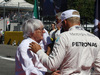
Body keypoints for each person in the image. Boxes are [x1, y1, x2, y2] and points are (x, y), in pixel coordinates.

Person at [29, 9, 100, 75]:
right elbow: (98, 68)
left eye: (62, 23)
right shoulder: (95, 39)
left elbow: (52, 65)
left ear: (65, 22)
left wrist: (39, 51)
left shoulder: (64, 37)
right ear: (79, 22)